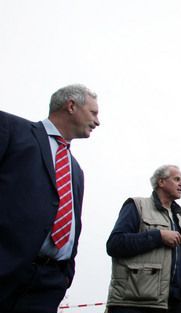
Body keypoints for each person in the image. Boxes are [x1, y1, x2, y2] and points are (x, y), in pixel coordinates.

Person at [0, 84, 100, 313]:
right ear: (71, 106)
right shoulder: (11, 129)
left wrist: (65, 275)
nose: (97, 121)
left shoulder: (77, 171)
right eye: (93, 113)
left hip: (48, 285)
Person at [106, 165, 181, 313]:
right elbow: (115, 244)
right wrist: (158, 236)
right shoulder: (137, 206)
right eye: (176, 179)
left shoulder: (180, 220)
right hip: (137, 304)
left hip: (175, 304)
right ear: (161, 182)